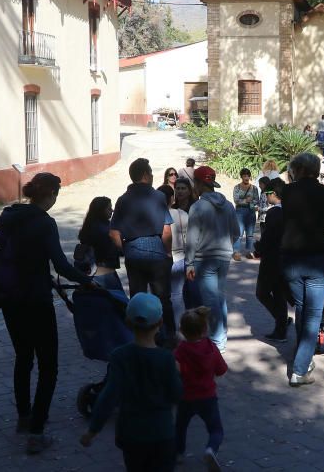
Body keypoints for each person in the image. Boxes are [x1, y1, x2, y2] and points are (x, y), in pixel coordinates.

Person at [0, 172, 93, 454]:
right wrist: (87, 280)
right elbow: (61, 265)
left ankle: (24, 417)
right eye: (56, 194)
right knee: (48, 365)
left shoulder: (9, 216)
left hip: (10, 299)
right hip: (36, 300)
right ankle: (37, 432)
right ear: (49, 194)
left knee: (23, 358)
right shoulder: (44, 222)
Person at [81, 293, 183, 472]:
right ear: (159, 324)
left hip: (131, 433)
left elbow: (108, 396)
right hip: (162, 432)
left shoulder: (119, 356)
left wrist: (93, 430)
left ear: (127, 322)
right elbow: (176, 394)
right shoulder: (166, 358)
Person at [280, 152, 324, 386]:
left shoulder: (288, 192)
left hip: (291, 259)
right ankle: (300, 369)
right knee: (312, 314)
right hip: (316, 259)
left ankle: (304, 357)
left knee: (302, 309)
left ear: (297, 169)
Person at [110, 158, 176, 343]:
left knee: (137, 299)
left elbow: (114, 233)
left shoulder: (123, 200)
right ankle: (167, 337)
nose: (154, 176)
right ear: (146, 175)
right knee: (163, 298)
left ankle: (139, 338)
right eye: (151, 172)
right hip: (157, 254)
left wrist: (125, 249)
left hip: (133, 254)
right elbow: (166, 230)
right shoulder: (158, 197)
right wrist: (168, 252)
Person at [185, 166, 238, 352]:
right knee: (219, 298)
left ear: (199, 184)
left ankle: (217, 342)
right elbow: (236, 233)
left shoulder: (197, 206)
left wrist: (188, 262)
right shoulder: (229, 206)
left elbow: (191, 238)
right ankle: (220, 337)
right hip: (223, 257)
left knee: (210, 301)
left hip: (203, 259)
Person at [174, 306, 228, 470]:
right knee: (216, 429)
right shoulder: (211, 347)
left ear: (182, 330)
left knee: (180, 427)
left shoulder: (181, 350)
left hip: (186, 397)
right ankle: (211, 449)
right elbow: (221, 369)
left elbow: (174, 370)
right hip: (208, 397)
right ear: (205, 329)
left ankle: (179, 453)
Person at [254, 178, 290, 342]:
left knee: (262, 293)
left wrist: (258, 248)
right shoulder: (290, 210)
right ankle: (281, 326)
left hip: (272, 259)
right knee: (279, 294)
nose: (266, 197)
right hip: (286, 259)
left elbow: (268, 237)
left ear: (274, 194)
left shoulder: (274, 212)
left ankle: (281, 320)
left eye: (267, 194)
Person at [78, 197, 123, 291]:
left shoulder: (89, 226)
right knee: (118, 301)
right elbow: (114, 250)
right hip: (106, 272)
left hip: (92, 272)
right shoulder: (106, 230)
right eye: (109, 208)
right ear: (100, 210)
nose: (112, 211)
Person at [169, 178, 196, 327]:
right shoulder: (172, 209)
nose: (179, 191)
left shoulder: (195, 208)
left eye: (183, 188)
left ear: (189, 190)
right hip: (178, 257)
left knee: (191, 292)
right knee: (179, 293)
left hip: (193, 255)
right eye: (177, 188)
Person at [231, 168, 259, 261]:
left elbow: (256, 200)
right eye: (244, 176)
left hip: (250, 211)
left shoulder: (254, 188)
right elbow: (236, 200)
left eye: (248, 176)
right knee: (239, 232)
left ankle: (248, 251)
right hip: (240, 211)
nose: (246, 178)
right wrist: (246, 200)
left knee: (250, 234)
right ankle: (236, 252)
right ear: (241, 177)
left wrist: (250, 203)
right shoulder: (237, 187)